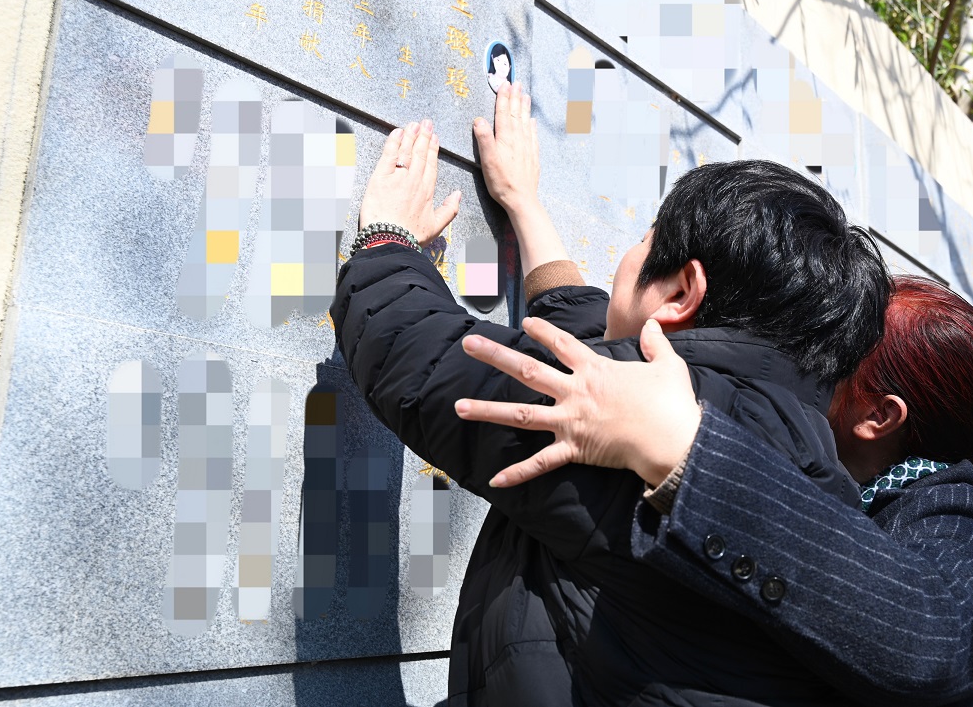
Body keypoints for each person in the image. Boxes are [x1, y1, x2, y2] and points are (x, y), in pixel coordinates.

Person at [331, 82, 892, 705]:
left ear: (682, 293)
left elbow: (417, 358)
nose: (628, 258)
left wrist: (386, 239)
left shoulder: (654, 437)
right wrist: (523, 204)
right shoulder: (800, 461)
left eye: (645, 240)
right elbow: (591, 336)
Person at [456, 276, 973, 707]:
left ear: (879, 416)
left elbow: (929, 642)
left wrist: (688, 455)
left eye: (835, 354)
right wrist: (528, 212)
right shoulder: (849, 476)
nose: (806, 355)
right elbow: (606, 359)